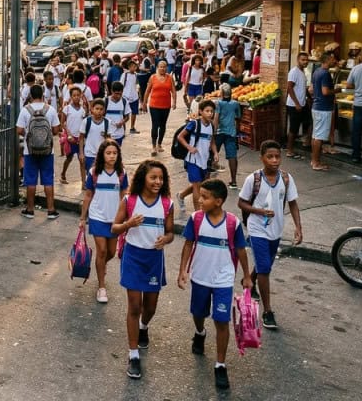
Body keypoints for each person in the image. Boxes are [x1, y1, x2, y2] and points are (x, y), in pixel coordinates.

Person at [177, 179, 252, 391]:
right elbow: (188, 244)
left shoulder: (233, 223)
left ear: (218, 201)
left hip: (223, 279)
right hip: (200, 276)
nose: (199, 200)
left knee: (221, 320)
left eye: (205, 197)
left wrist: (246, 275)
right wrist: (182, 270)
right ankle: (200, 333)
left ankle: (220, 364)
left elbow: (240, 251)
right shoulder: (196, 219)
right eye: (200, 196)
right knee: (198, 314)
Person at [111, 160, 174, 380]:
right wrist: (128, 224)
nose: (158, 182)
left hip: (154, 259)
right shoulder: (129, 200)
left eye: (161, 178)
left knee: (151, 307)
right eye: (153, 178)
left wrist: (165, 239)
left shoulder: (167, 203)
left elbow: (171, 232)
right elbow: (115, 227)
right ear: (143, 179)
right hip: (133, 257)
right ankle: (133, 354)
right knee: (135, 305)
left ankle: (143, 326)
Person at [237, 141, 302, 330]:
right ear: (262, 158)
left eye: (277, 156)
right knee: (265, 268)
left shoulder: (286, 179)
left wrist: (298, 227)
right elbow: (241, 203)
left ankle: (248, 279)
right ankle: (267, 311)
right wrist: (259, 211)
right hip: (257, 229)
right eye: (270, 157)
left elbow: (293, 204)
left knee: (263, 264)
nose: (274, 160)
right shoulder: (254, 179)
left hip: (276, 230)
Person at [78, 140, 127, 303]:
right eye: (108, 153)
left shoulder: (121, 173)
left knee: (111, 252)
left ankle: (100, 266)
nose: (112, 156)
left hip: (114, 219)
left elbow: (124, 196)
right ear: (102, 155)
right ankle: (101, 287)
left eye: (114, 153)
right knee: (103, 250)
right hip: (97, 216)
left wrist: (126, 218)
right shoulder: (94, 173)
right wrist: (83, 218)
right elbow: (88, 195)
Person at [17, 84, 62, 219]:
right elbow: (55, 130)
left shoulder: (25, 110)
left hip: (29, 151)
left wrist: (29, 135)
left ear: (31, 95)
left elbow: (19, 130)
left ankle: (30, 210)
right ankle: (51, 210)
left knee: (30, 181)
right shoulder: (51, 110)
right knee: (48, 180)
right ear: (43, 94)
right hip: (48, 151)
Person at [177, 100, 218, 215]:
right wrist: (189, 147)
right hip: (193, 160)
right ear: (201, 111)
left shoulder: (211, 126)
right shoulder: (194, 124)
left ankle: (181, 195)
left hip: (204, 161)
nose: (210, 113)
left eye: (212, 111)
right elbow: (180, 137)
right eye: (207, 111)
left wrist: (215, 153)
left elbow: (212, 141)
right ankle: (198, 213)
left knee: (200, 184)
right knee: (197, 188)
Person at [142, 60, 177, 156]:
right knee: (155, 124)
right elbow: (147, 91)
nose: (163, 68)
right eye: (161, 66)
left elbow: (173, 91)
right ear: (158, 67)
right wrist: (144, 103)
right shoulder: (152, 77)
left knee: (163, 125)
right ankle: (153, 146)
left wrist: (174, 102)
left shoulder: (170, 78)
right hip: (154, 105)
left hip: (166, 106)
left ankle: (159, 144)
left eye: (164, 66)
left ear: (167, 68)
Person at [310, 51, 336, 171]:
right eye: (333, 59)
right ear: (327, 60)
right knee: (319, 137)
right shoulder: (325, 74)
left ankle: (314, 160)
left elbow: (311, 89)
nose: (334, 61)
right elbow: (325, 92)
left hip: (316, 106)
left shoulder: (316, 72)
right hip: (323, 108)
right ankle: (316, 162)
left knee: (316, 135)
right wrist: (337, 90)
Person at [214, 85, 242, 189]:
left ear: (221, 93)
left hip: (220, 132)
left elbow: (216, 118)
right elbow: (238, 117)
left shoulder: (218, 103)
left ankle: (208, 178)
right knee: (232, 156)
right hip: (231, 133)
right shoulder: (235, 104)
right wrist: (237, 130)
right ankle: (234, 181)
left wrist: (213, 132)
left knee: (213, 152)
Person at [286, 52, 311, 159]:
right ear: (298, 60)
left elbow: (303, 88)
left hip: (303, 103)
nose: (305, 62)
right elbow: (289, 88)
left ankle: (306, 142)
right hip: (294, 105)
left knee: (310, 122)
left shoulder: (303, 72)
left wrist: (309, 97)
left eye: (306, 60)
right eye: (303, 60)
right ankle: (289, 150)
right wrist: (296, 103)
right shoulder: (294, 72)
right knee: (294, 128)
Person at [59, 86, 85, 185]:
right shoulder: (67, 108)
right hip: (70, 138)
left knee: (82, 160)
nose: (76, 97)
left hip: (80, 138)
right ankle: (63, 174)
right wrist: (68, 134)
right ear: (71, 97)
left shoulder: (83, 110)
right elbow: (62, 123)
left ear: (81, 96)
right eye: (74, 95)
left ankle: (84, 182)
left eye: (78, 95)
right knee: (69, 158)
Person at [78, 99, 109, 181]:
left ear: (104, 110)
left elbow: (109, 140)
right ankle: (85, 184)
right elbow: (81, 138)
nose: (99, 111)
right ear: (92, 109)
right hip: (89, 153)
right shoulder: (86, 121)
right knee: (91, 174)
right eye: (97, 109)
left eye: (101, 109)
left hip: (102, 154)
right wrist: (81, 153)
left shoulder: (107, 122)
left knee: (100, 175)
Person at [103, 82, 130, 147]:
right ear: (111, 91)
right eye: (116, 94)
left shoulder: (124, 101)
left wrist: (122, 122)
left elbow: (127, 116)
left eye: (120, 94)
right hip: (107, 134)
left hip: (119, 134)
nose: (118, 96)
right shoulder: (105, 101)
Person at [121, 59, 141, 134]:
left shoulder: (136, 75)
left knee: (134, 112)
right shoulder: (124, 75)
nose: (133, 68)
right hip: (125, 96)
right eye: (132, 66)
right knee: (124, 113)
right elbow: (121, 85)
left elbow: (137, 86)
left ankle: (132, 127)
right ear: (129, 67)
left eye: (135, 66)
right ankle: (123, 127)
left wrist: (139, 96)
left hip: (134, 96)